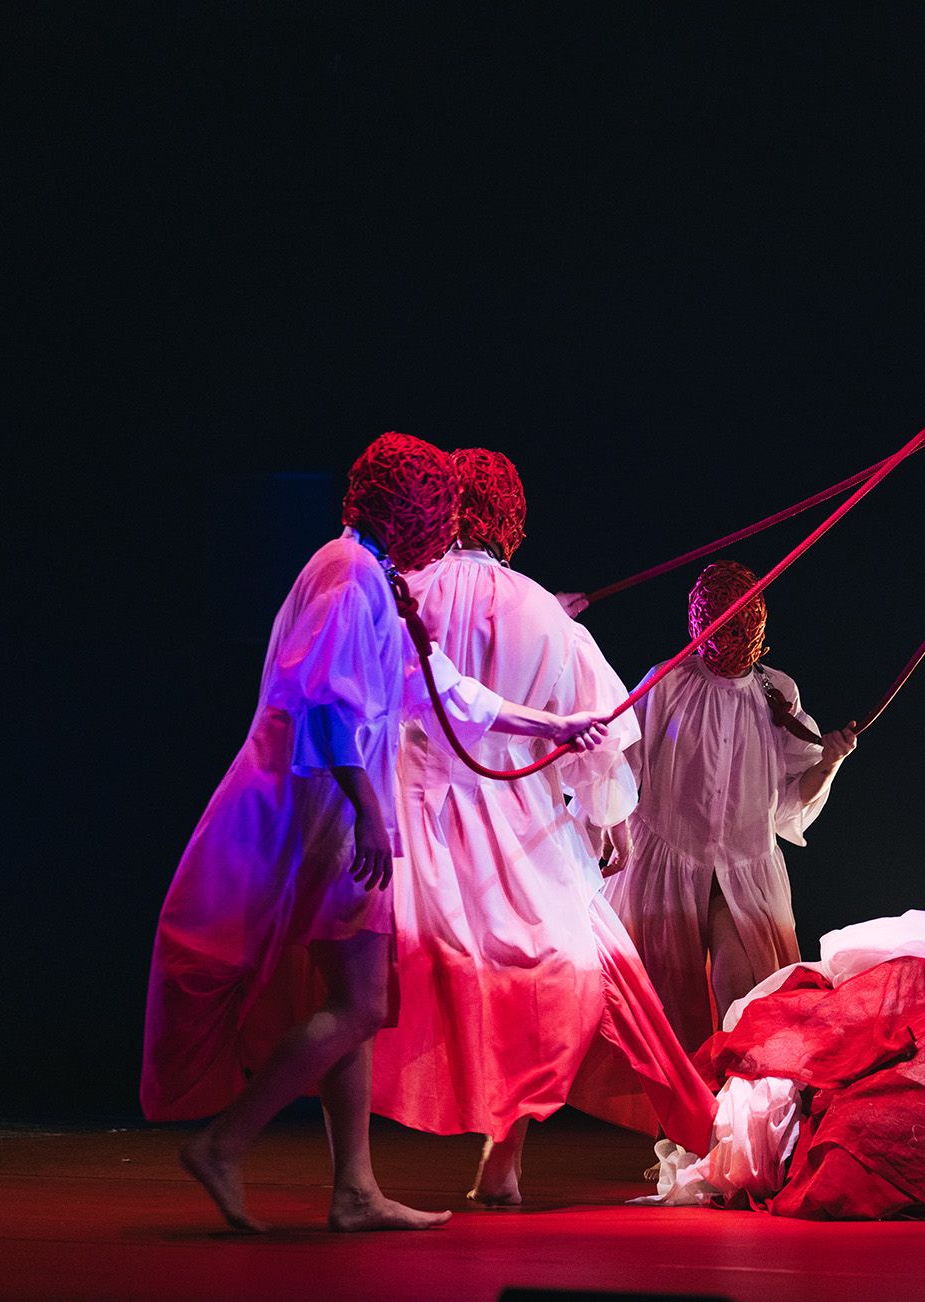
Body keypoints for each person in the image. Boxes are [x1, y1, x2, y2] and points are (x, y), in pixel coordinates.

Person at [141, 432, 614, 1234]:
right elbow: (326, 702)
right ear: (410, 508)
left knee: (352, 997)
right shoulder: (348, 573)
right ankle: (227, 1143)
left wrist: (555, 723)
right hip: (323, 814)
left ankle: (351, 1187)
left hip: (333, 811)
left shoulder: (371, 577)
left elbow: (442, 691)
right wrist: (367, 810)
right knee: (362, 1004)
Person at [370, 449, 716, 1206]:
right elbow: (591, 722)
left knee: (374, 965)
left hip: (412, 811)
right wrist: (607, 818)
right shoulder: (536, 609)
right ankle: (504, 1160)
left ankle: (352, 1172)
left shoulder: (405, 590)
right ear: (510, 518)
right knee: (542, 975)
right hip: (513, 818)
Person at [607, 561, 859, 1054]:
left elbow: (786, 804)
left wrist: (829, 762)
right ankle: (678, 1130)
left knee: (741, 999)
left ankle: (733, 1124)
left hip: (742, 871)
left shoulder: (777, 693)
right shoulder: (666, 682)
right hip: (667, 866)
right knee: (670, 1020)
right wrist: (604, 829)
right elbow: (622, 769)